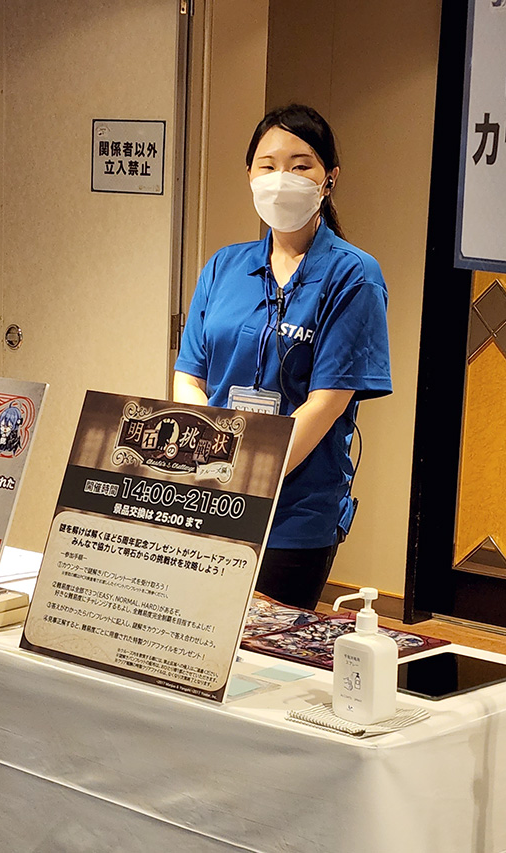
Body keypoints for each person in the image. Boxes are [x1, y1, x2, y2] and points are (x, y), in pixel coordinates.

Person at [173, 104, 392, 609]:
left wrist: (248, 477)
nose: (281, 179)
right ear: (249, 176)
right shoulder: (223, 266)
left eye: (300, 165)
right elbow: (190, 377)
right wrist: (203, 464)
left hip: (294, 513)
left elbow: (328, 402)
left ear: (329, 178)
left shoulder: (353, 275)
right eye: (267, 166)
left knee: (267, 645)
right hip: (208, 495)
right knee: (195, 632)